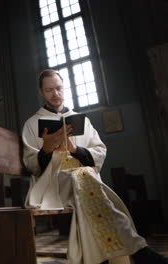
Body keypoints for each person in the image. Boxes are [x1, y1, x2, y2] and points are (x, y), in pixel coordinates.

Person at [21, 69, 167, 264]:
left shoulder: (82, 120)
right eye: (49, 90)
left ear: (64, 88)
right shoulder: (32, 124)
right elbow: (31, 165)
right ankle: (139, 251)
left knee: (83, 177)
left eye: (58, 88)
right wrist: (46, 149)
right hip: (53, 184)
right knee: (85, 179)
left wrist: (76, 150)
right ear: (41, 92)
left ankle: (105, 258)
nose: (55, 94)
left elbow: (99, 150)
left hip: (83, 180)